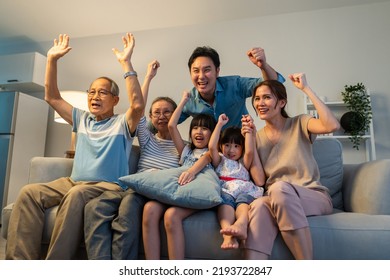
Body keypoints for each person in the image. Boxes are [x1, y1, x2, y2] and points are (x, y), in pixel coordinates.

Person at [5, 32, 144, 259]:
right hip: (73, 182)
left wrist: (126, 63)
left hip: (108, 186)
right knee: (29, 193)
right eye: (91, 92)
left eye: (102, 92)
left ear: (115, 100)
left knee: (77, 194)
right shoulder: (83, 119)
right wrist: (52, 59)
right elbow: (52, 97)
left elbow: (138, 105)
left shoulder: (122, 123)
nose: (94, 96)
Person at [84, 61, 182, 260]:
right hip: (131, 187)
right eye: (157, 112)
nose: (162, 116)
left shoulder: (184, 147)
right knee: (95, 207)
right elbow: (138, 106)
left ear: (177, 116)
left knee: (127, 210)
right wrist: (148, 78)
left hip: (154, 192)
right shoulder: (147, 139)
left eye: (167, 112)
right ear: (151, 117)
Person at [242, 73, 340, 260]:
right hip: (277, 198)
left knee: (279, 189)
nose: (260, 103)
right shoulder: (257, 136)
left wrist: (306, 88)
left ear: (281, 103)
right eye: (257, 99)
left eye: (267, 97)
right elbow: (261, 180)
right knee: (260, 205)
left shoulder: (300, 122)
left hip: (313, 196)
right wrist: (250, 140)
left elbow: (332, 125)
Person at [142, 91, 216, 260]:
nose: (199, 132)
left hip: (201, 192)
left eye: (205, 129)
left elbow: (207, 157)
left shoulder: (213, 152)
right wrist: (183, 101)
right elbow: (171, 126)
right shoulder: (186, 150)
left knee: (171, 215)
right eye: (195, 128)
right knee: (155, 210)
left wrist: (191, 171)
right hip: (182, 193)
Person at [178, 46, 285, 128]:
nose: (201, 76)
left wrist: (263, 66)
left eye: (207, 70)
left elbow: (274, 85)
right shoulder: (189, 101)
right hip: (211, 153)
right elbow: (167, 122)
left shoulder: (235, 85)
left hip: (242, 147)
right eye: (196, 71)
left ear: (217, 71)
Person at [208, 113, 265, 250]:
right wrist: (219, 124)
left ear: (242, 148)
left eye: (236, 146)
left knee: (243, 202)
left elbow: (250, 151)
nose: (231, 150)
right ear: (221, 146)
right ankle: (227, 232)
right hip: (226, 190)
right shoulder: (220, 160)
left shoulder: (243, 162)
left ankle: (241, 223)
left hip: (244, 190)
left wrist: (249, 131)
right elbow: (211, 147)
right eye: (227, 145)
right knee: (225, 201)